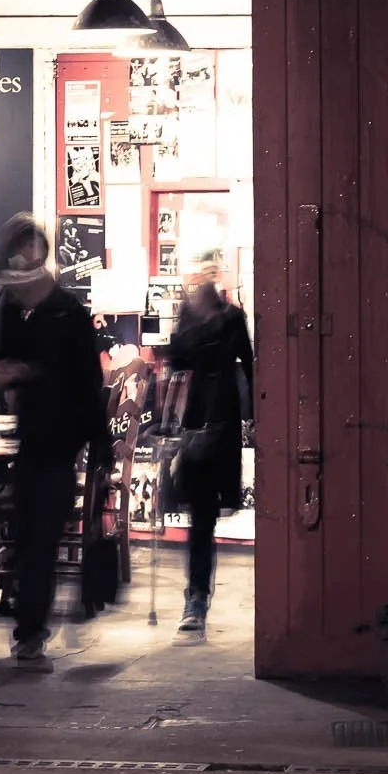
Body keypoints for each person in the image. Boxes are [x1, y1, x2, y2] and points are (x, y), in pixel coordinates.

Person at [0, 214, 111, 667]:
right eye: (16, 256)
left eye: (28, 255)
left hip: (61, 439)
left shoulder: (68, 311)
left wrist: (101, 451)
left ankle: (30, 631)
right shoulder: (11, 310)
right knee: (29, 536)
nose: (21, 266)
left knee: (41, 538)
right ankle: (29, 626)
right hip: (30, 438)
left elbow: (85, 381)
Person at [164, 249, 252, 634]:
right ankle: (196, 597)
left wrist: (257, 420)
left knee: (209, 516)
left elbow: (249, 365)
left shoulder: (233, 317)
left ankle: (199, 595)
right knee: (200, 517)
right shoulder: (190, 314)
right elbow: (177, 360)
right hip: (196, 421)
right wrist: (191, 317)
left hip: (224, 423)